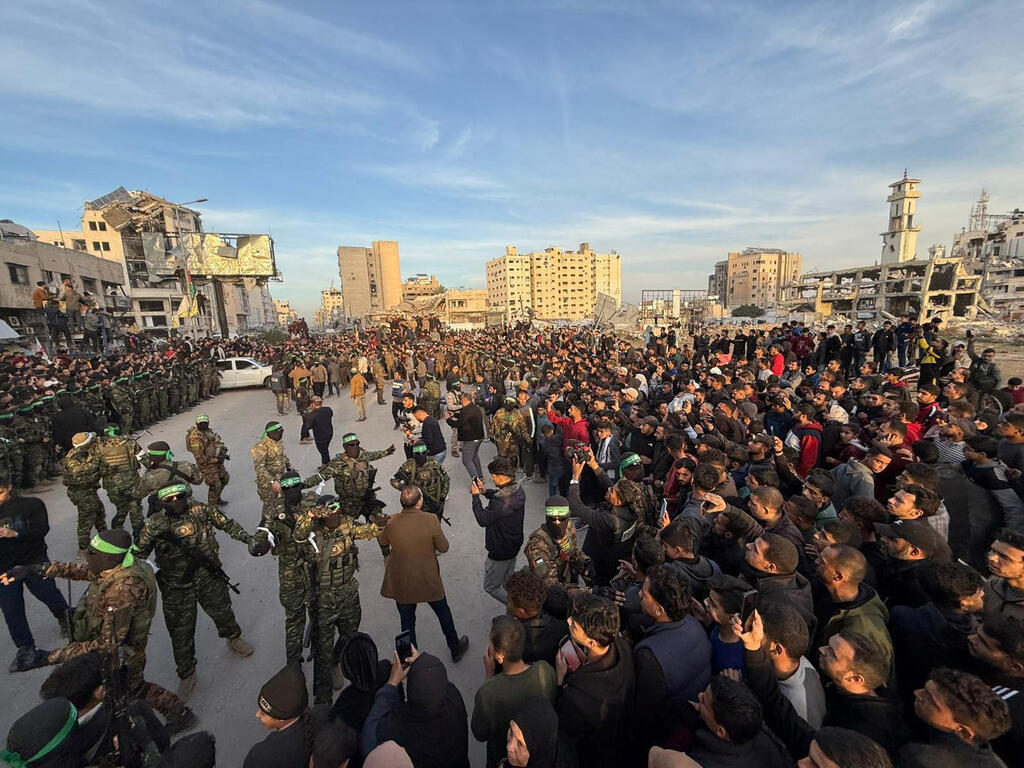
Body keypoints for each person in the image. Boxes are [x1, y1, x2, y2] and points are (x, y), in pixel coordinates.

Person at [132, 482, 267, 700]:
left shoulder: (202, 511)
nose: (176, 501)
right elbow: (138, 555)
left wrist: (250, 540)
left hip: (208, 577)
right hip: (176, 586)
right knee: (181, 631)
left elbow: (229, 526)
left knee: (222, 611)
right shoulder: (155, 524)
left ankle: (233, 638)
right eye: (169, 499)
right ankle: (187, 674)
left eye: (179, 496)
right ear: (162, 502)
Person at [295, 496, 386, 706]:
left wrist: (380, 524)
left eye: (336, 508)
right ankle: (322, 701)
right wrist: (310, 515)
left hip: (348, 594)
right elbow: (298, 535)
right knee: (322, 650)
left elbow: (367, 531)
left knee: (349, 635)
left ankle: (337, 660)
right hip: (323, 599)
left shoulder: (347, 523)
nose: (333, 513)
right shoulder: (311, 531)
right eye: (328, 510)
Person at [379, 486, 469, 662]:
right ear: (420, 502)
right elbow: (444, 547)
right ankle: (454, 647)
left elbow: (383, 540)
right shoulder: (431, 520)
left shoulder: (392, 521)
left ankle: (408, 658)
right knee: (443, 612)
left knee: (406, 622)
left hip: (403, 581)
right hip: (427, 578)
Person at [633, 565, 711, 751]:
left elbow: (644, 713)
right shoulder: (695, 625)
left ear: (659, 610)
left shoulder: (650, 657)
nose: (639, 596)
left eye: (644, 594)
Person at [555, 593, 635, 768]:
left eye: (575, 625)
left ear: (591, 643)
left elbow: (565, 734)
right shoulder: (623, 648)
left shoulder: (576, 697)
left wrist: (560, 680)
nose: (569, 621)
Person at [0, 478, 70, 672]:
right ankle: (25, 647)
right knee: (11, 608)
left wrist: (15, 534)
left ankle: (65, 617)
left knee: (48, 594)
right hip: (4, 569)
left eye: (0, 493)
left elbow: (42, 530)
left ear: (10, 487)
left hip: (33, 561)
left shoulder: (31, 505)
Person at [471, 615, 557, 768]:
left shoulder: (488, 692)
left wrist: (489, 676)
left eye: (490, 643)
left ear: (499, 656)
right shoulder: (545, 670)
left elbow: (480, 733)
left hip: (501, 754)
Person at [362, 649, 471, 768]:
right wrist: (423, 667)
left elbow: (369, 740)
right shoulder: (454, 699)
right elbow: (440, 684)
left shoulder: (398, 727)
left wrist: (392, 684)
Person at [472, 457, 526, 604]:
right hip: (513, 544)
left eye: (493, 476)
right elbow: (500, 494)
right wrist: (485, 492)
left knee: (491, 587)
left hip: (500, 550)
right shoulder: (518, 491)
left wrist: (476, 496)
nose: (492, 478)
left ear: (501, 477)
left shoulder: (500, 502)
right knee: (508, 581)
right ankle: (514, 612)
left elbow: (482, 519)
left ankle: (516, 606)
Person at [244, 663, 313, 768]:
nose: (257, 714)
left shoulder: (261, 758)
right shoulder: (324, 718)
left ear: (281, 719)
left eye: (263, 713)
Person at [504, 569, 568, 667]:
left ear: (521, 611)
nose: (507, 604)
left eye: (509, 601)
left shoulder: (513, 643)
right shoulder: (563, 628)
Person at [61, 431, 106, 556]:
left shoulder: (82, 453)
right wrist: (99, 469)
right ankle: (83, 547)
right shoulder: (76, 458)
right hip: (82, 493)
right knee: (86, 519)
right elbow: (81, 476)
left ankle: (105, 536)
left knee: (99, 512)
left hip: (88, 491)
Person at [501, 698, 578, 768]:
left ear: (537, 751)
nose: (509, 747)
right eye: (511, 732)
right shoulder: (550, 740)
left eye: (520, 744)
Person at [390, 441, 450, 523]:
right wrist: (405, 488)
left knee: (435, 524)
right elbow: (393, 480)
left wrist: (442, 498)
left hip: (434, 502)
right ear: (413, 454)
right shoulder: (409, 466)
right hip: (417, 505)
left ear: (426, 452)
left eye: (423, 453)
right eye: (418, 454)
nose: (421, 456)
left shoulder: (435, 465)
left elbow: (446, 480)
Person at [251, 422, 294, 520]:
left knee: (286, 501)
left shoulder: (278, 441)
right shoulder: (260, 448)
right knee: (269, 507)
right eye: (279, 432)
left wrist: (288, 464)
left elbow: (281, 455)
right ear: (271, 433)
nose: (281, 434)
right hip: (267, 483)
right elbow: (260, 468)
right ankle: (265, 529)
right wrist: (272, 481)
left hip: (281, 478)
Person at [185, 414, 231, 508]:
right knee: (215, 484)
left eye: (205, 422)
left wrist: (222, 452)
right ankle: (212, 507)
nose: (203, 424)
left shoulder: (208, 431)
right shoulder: (195, 438)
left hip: (215, 461)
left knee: (224, 478)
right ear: (197, 423)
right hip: (206, 464)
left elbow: (215, 442)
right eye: (200, 423)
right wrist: (217, 459)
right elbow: (200, 458)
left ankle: (216, 498)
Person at [448, 391, 485, 481]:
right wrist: (454, 414)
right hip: (479, 437)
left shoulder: (467, 410)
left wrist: (448, 419)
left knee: (467, 460)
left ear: (464, 400)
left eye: (461, 400)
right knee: (474, 456)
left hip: (471, 439)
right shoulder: (473, 407)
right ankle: (480, 477)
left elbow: (458, 424)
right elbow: (464, 416)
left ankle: (477, 482)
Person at [303, 396, 335, 466]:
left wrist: (307, 416)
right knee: (325, 449)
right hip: (329, 433)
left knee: (323, 451)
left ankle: (327, 465)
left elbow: (308, 426)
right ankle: (324, 463)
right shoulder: (328, 409)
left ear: (313, 404)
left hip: (320, 436)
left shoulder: (312, 414)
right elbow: (330, 415)